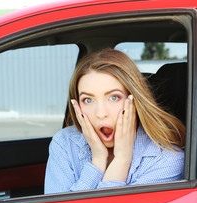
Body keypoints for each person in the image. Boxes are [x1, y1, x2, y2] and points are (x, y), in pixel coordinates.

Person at [44, 48, 185, 194]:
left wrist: (121, 160)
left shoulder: (167, 160)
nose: (100, 113)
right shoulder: (65, 143)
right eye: (88, 100)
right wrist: (98, 161)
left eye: (113, 97)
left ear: (134, 100)